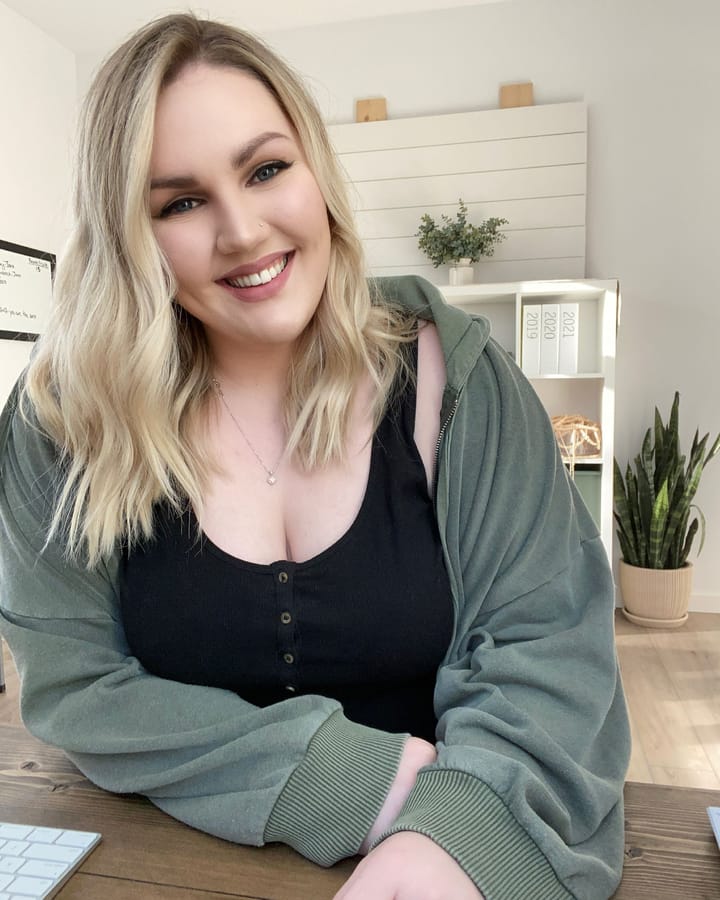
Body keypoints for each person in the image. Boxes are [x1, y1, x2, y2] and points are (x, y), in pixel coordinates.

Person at [0, 13, 630, 899]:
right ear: (129, 235)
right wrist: (347, 780)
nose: (242, 231)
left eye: (266, 170)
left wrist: (461, 831)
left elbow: (551, 651)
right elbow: (76, 686)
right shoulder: (61, 419)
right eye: (180, 202)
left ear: (316, 168)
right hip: (160, 860)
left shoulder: (464, 385)